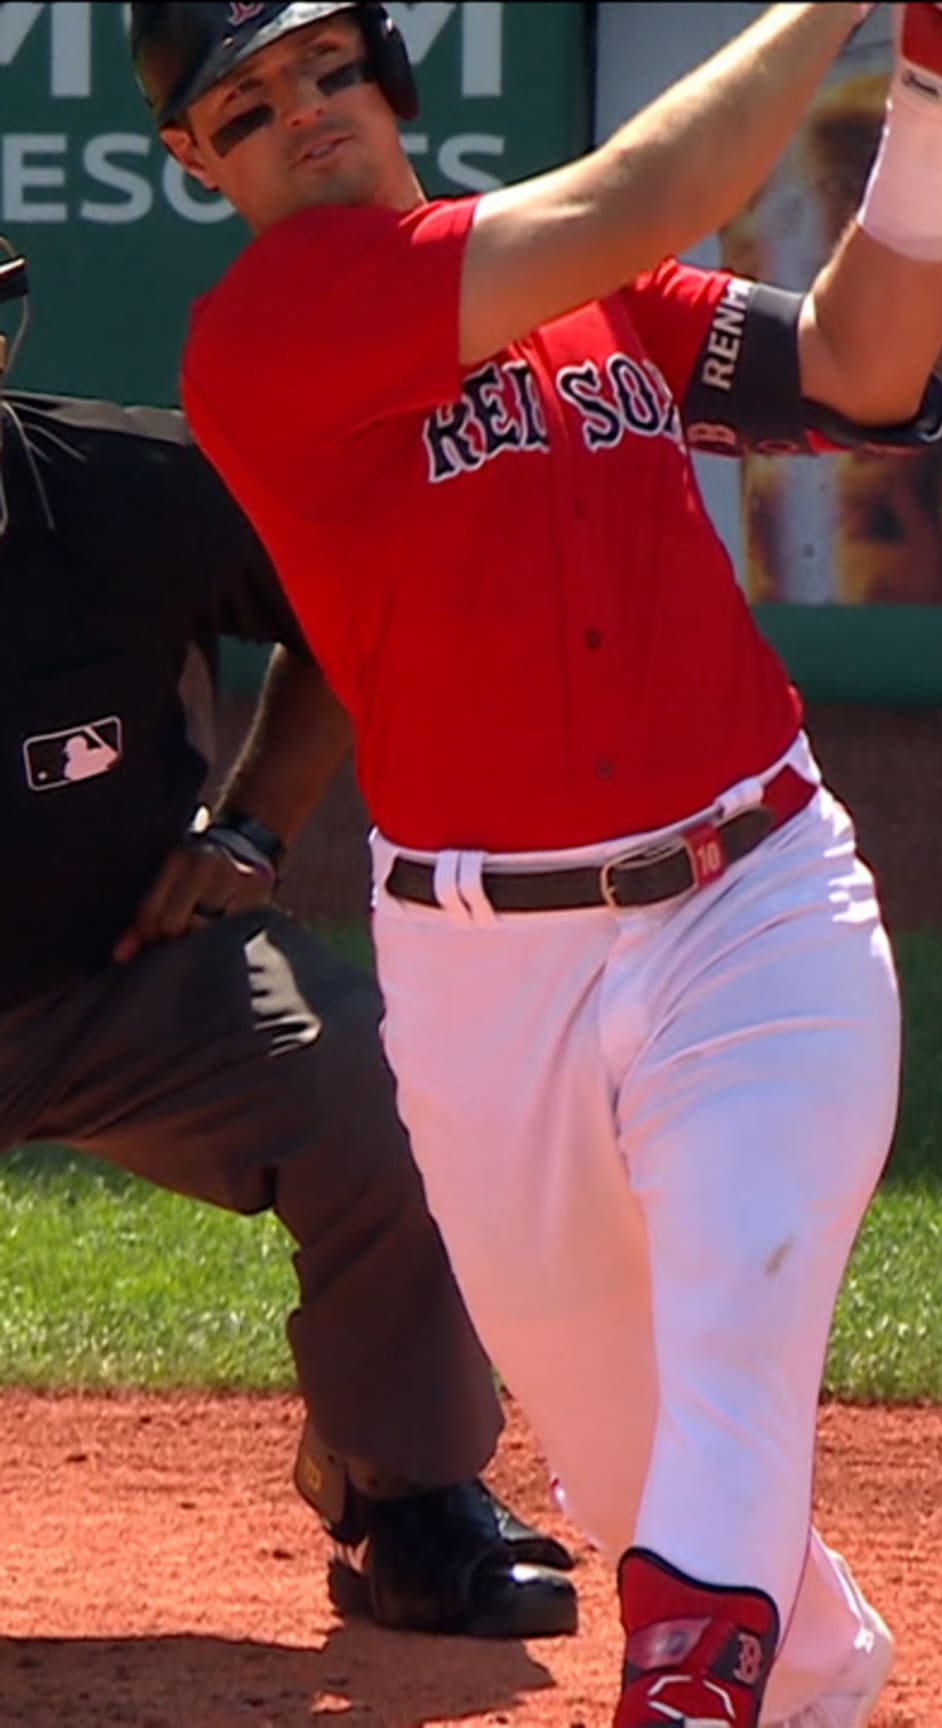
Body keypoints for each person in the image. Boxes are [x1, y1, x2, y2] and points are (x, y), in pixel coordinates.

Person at [136, 4, 942, 1722]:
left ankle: (694, 1694)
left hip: (754, 894)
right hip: (485, 968)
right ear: (194, 160)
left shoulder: (574, 295)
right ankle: (813, 1670)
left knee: (739, 1312)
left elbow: (861, 367)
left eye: (326, 66)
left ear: (386, 71)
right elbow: (646, 189)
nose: (302, 114)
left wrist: (933, 101)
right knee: (630, 1475)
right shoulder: (276, 325)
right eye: (244, 107)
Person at [0, 237, 576, 1643]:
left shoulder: (125, 493)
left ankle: (410, 1491)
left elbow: (357, 605)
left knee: (370, 1083)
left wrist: (250, 828)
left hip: (114, 983)